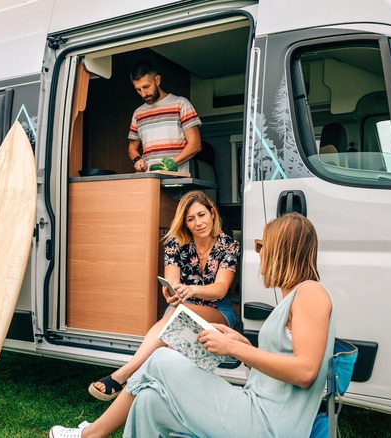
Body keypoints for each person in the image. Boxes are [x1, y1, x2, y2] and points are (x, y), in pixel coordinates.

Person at [53, 213, 333, 438]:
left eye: (262, 246)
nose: (259, 253)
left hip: (266, 423)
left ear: (281, 251)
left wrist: (233, 348)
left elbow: (305, 371)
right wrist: (241, 344)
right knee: (151, 402)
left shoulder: (311, 294)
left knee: (161, 358)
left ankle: (92, 435)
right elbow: (281, 364)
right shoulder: (294, 297)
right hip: (255, 408)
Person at [87, 190, 239, 402]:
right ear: (185, 223)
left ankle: (124, 373)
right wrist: (171, 294)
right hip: (181, 308)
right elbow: (172, 283)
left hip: (218, 311)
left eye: (202, 215)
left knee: (176, 315)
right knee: (169, 343)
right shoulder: (175, 244)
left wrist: (192, 290)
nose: (198, 223)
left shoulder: (229, 245)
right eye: (190, 219)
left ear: (212, 213)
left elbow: (220, 288)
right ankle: (142, 389)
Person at [127, 60, 202, 174]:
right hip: (149, 180)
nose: (143, 94)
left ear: (157, 80)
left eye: (146, 86)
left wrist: (168, 165)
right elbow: (132, 149)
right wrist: (137, 160)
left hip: (176, 181)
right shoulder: (138, 113)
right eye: (138, 89)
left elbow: (195, 145)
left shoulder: (180, 104)